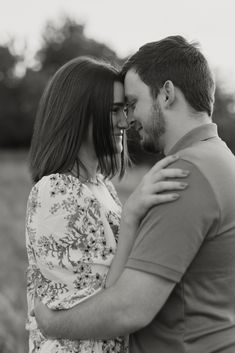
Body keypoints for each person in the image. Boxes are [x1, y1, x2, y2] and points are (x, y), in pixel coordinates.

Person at [34, 35, 235, 353]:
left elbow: (129, 308)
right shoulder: (221, 159)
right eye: (118, 109)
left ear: (166, 94)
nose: (127, 121)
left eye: (132, 104)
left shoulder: (185, 173)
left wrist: (50, 322)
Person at [26, 55, 189, 353]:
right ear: (80, 113)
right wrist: (130, 218)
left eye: (125, 110)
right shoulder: (56, 190)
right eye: (114, 111)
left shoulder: (102, 187)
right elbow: (91, 311)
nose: (125, 122)